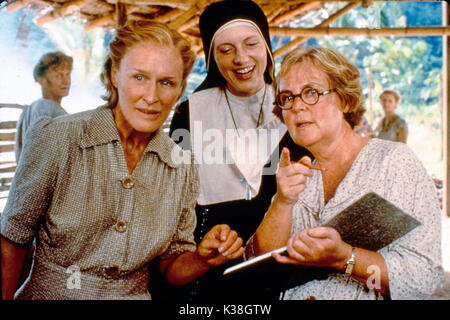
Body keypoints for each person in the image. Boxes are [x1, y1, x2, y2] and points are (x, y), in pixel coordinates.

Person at [0, 20, 245, 300]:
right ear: (115, 75)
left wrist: (201, 259)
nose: (151, 97)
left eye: (166, 83)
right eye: (139, 77)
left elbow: (170, 266)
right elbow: (11, 241)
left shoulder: (182, 165)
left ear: (179, 91)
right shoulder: (60, 137)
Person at [247, 46, 443, 300]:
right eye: (287, 97)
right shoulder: (300, 172)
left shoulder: (395, 163)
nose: (296, 107)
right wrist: (283, 202)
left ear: (345, 100)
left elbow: (421, 278)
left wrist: (345, 259)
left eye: (311, 92)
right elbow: (263, 265)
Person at [164, 0, 310, 300]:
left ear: (267, 48)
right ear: (212, 57)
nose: (241, 58)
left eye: (251, 43)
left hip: (283, 260)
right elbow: (175, 198)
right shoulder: (190, 113)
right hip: (207, 261)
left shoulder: (295, 107)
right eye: (226, 49)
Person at [15, 51, 72, 161]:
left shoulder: (34, 107)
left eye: (67, 74)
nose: (66, 81)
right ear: (42, 80)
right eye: (58, 75)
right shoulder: (48, 109)